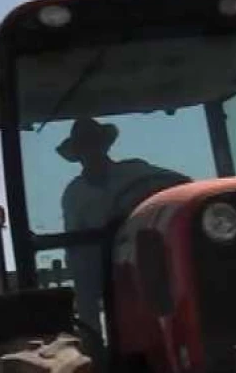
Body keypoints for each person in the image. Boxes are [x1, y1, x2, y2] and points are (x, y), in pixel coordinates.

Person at [55, 117, 191, 328]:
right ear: (78, 153)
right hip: (104, 267)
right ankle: (95, 347)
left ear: (104, 145)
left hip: (147, 256)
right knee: (83, 281)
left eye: (94, 143)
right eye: (85, 146)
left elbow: (181, 183)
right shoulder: (74, 194)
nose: (91, 151)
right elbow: (74, 242)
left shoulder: (135, 171)